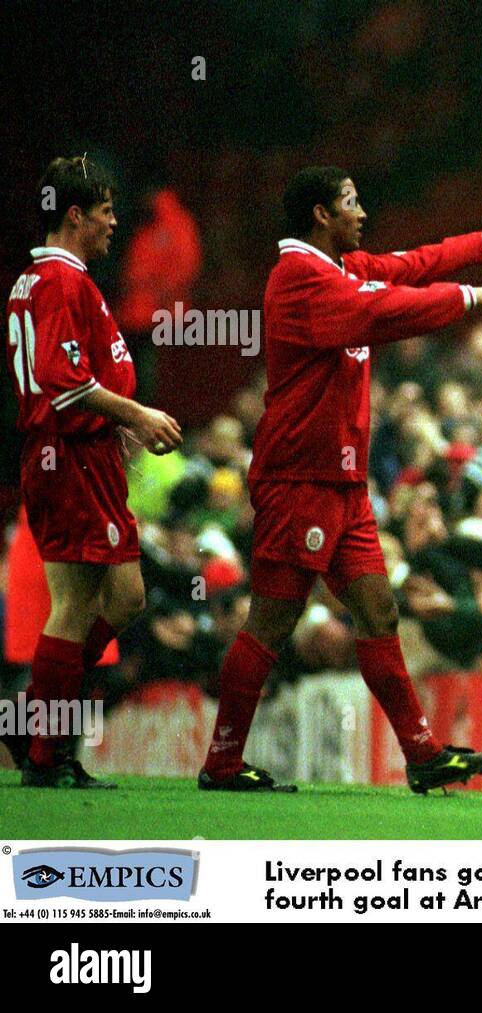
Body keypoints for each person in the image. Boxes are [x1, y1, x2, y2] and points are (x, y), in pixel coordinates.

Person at [199, 165, 482, 792]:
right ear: (321, 214)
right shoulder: (298, 276)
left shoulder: (341, 268)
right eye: (351, 202)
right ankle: (222, 761)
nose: (363, 211)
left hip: (344, 486)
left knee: (379, 610)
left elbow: (416, 262)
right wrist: (471, 298)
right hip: (299, 480)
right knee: (271, 621)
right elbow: (387, 311)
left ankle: (421, 756)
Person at [7, 156, 183, 788]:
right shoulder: (60, 283)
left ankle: (38, 729)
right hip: (70, 455)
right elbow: (62, 383)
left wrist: (122, 424)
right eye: (106, 212)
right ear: (75, 214)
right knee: (79, 605)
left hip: (78, 455)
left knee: (115, 600)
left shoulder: (39, 280)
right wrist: (135, 412)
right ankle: (45, 748)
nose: (115, 224)